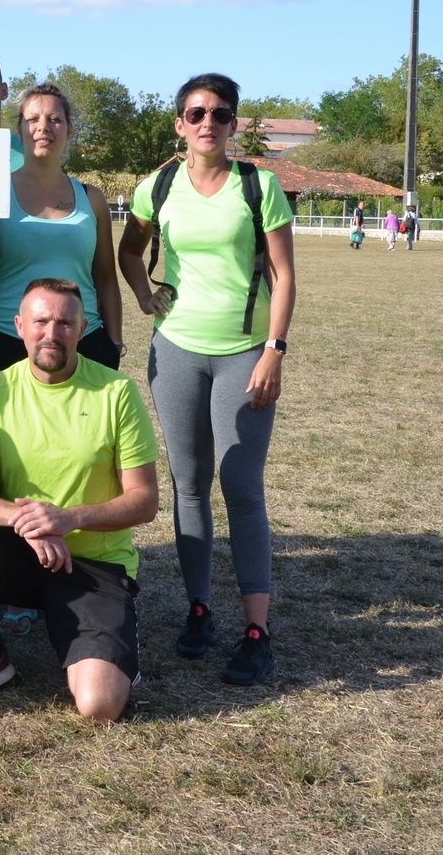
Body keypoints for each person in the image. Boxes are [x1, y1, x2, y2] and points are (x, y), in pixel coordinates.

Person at [116, 73, 297, 688]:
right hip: (176, 352)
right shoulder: (158, 185)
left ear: (234, 124)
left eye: (221, 114)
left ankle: (257, 632)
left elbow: (284, 272)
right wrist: (145, 296)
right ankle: (199, 610)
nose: (208, 124)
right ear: (179, 124)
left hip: (245, 353)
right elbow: (128, 251)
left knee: (241, 485)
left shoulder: (259, 184)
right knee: (188, 484)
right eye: (196, 114)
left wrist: (274, 350)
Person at [0, 278, 160, 721]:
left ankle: (116, 641)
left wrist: (68, 519)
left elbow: (144, 501)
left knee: (99, 706)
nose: (52, 333)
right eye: (41, 321)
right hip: (26, 551)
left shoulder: (117, 393)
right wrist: (26, 522)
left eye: (65, 323)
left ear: (83, 329)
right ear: (19, 327)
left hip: (95, 567)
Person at [0, 82, 123, 403]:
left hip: (82, 342)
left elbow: (106, 277)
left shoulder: (91, 199)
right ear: (19, 129)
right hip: (3, 342)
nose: (43, 127)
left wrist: (114, 345)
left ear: (69, 129)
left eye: (55, 119)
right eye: (33, 119)